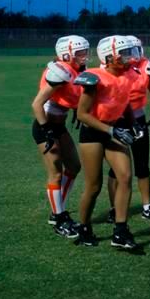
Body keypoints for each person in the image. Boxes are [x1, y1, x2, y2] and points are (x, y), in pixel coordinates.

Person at [74, 35, 143, 250]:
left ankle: (120, 231)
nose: (129, 57)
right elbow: (82, 114)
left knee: (125, 176)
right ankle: (84, 227)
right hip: (94, 132)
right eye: (123, 53)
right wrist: (112, 130)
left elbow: (124, 102)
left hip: (115, 129)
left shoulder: (128, 74)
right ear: (109, 56)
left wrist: (133, 124)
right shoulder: (95, 78)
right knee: (94, 186)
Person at [31, 35, 90, 239]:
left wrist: (76, 110)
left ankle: (59, 209)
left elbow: (70, 96)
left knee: (73, 166)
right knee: (55, 173)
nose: (85, 56)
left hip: (59, 126)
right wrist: (46, 130)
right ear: (67, 53)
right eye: (80, 52)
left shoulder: (75, 71)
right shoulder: (60, 71)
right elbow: (37, 104)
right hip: (44, 126)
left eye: (85, 51)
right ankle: (58, 217)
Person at [107, 35, 150, 222]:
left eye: (135, 50)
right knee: (116, 169)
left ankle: (147, 206)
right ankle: (114, 208)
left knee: (142, 164)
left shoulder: (146, 67)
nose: (132, 55)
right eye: (127, 52)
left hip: (138, 117)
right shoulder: (112, 68)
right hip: (117, 120)